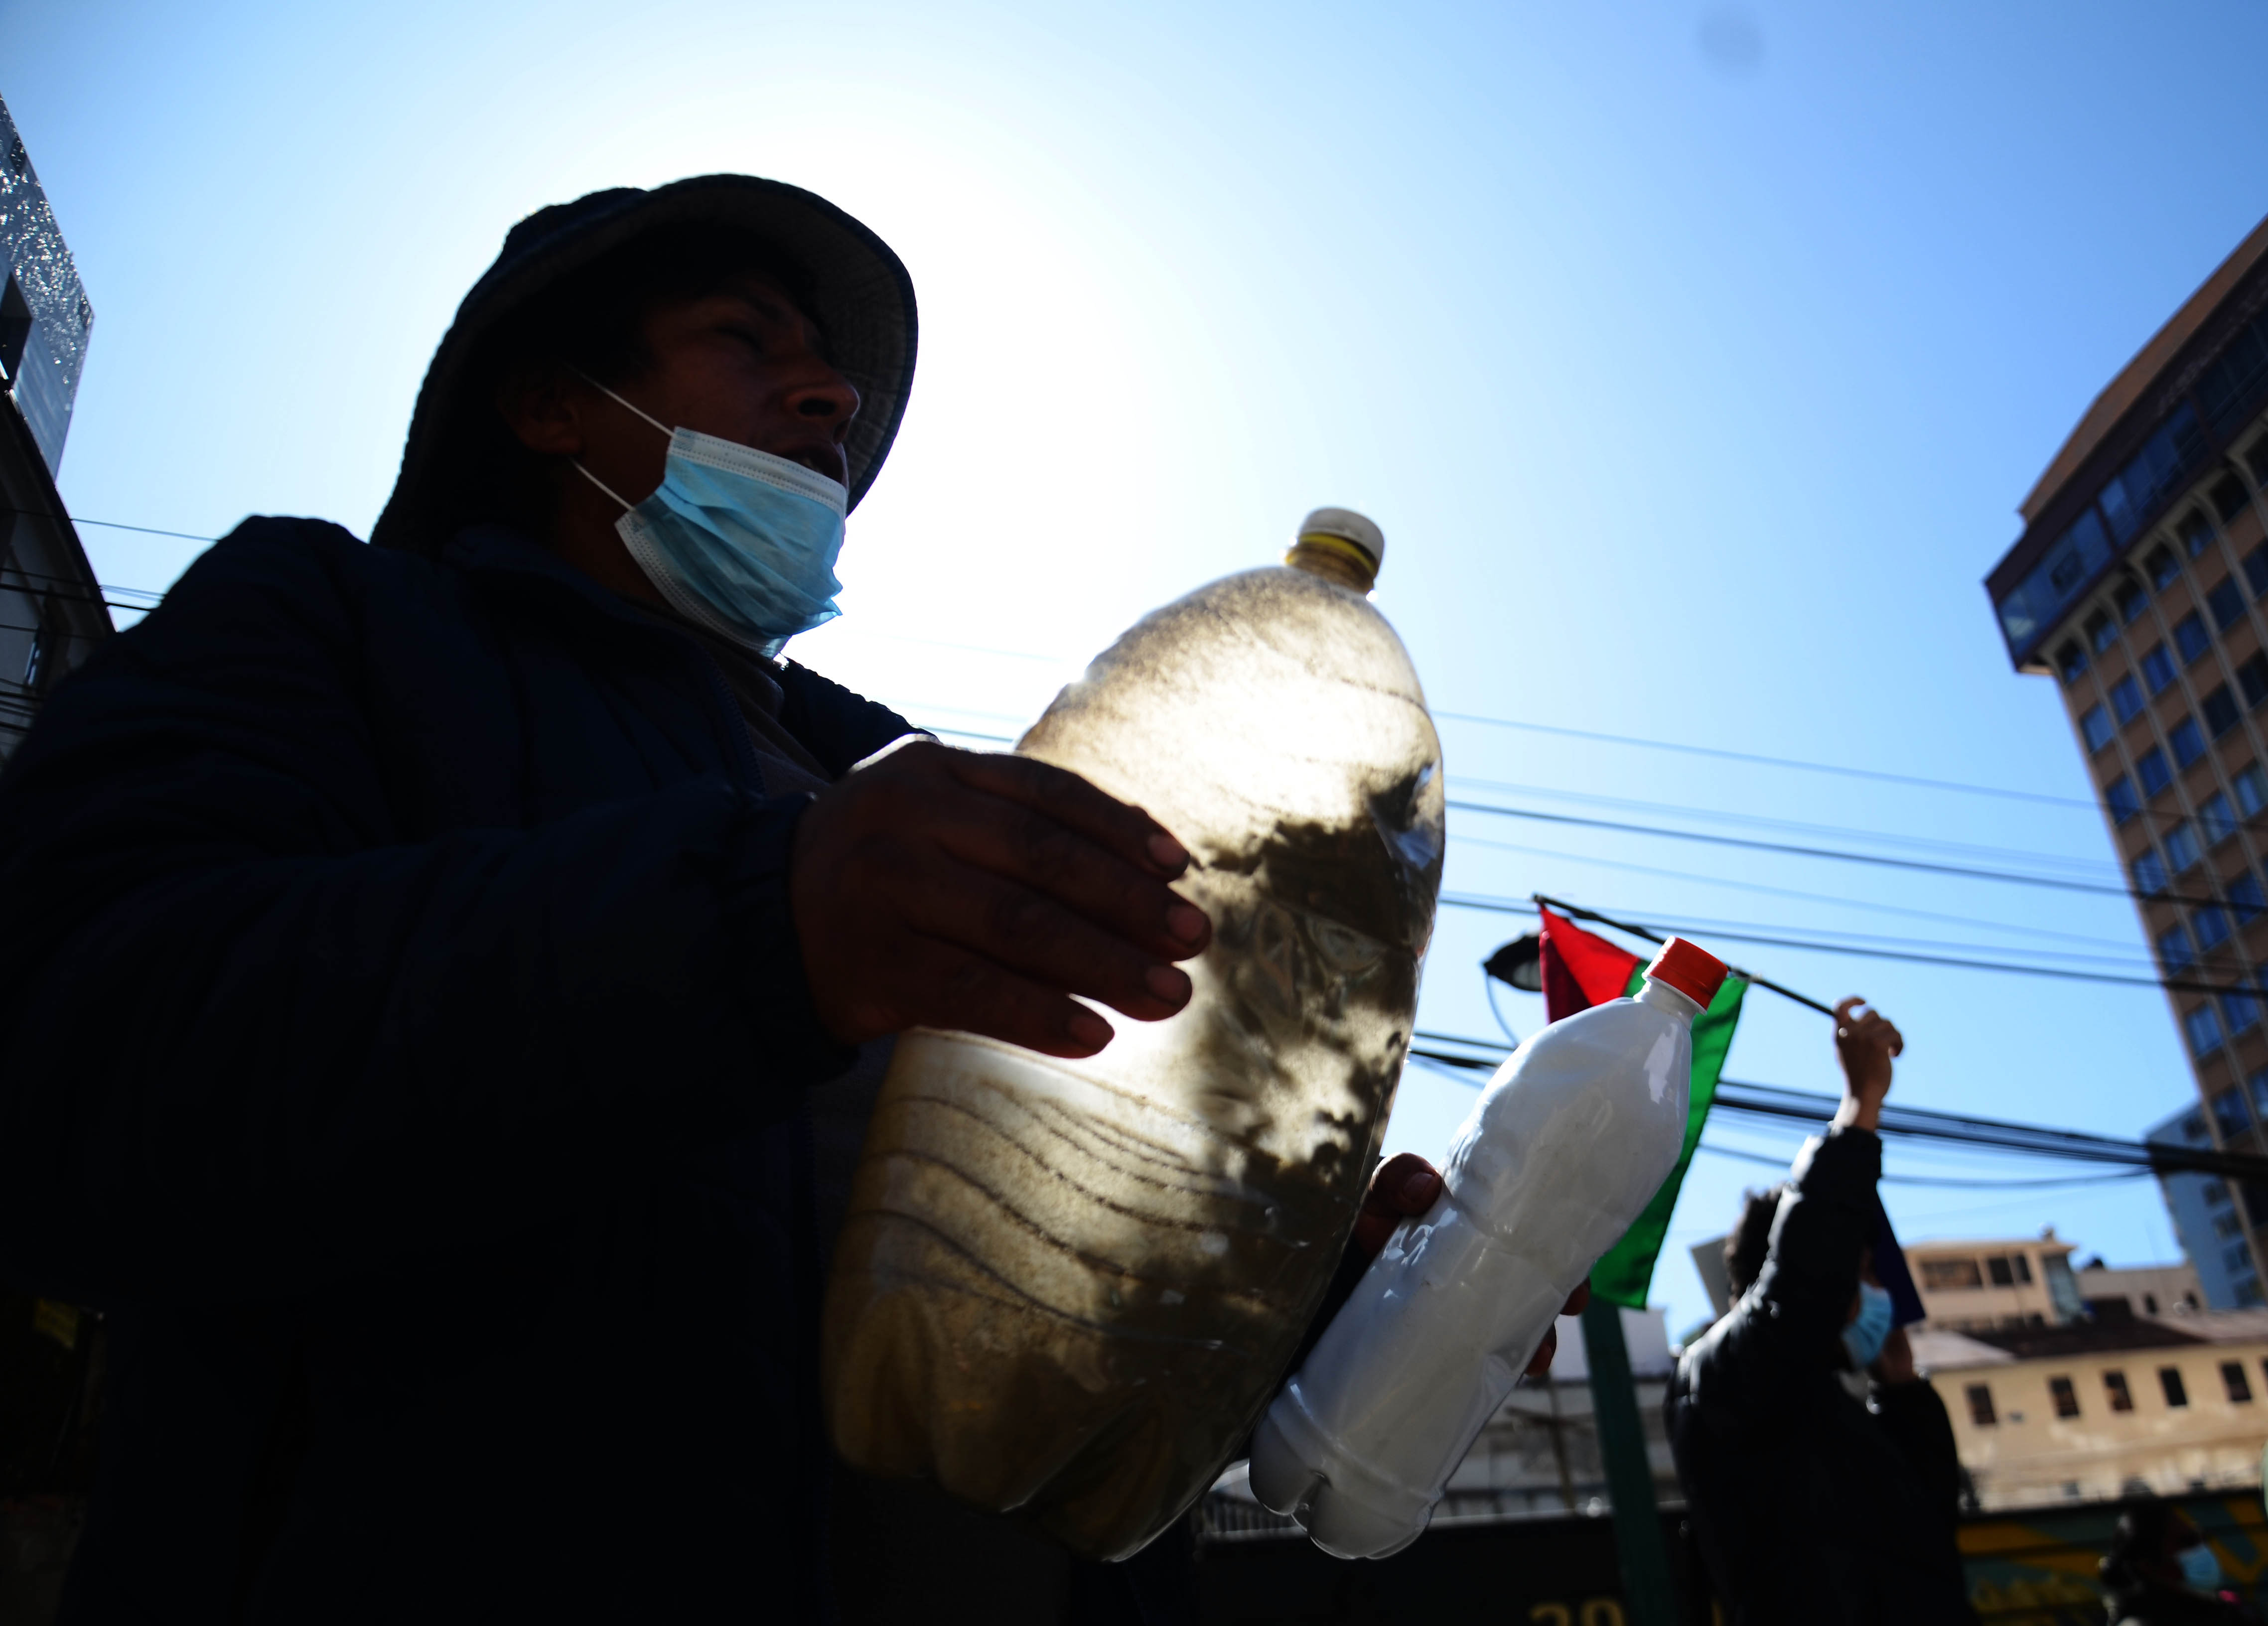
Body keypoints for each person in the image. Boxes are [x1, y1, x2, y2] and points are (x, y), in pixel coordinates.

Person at [0, 177, 1233, 1623]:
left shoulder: (889, 774)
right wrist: (752, 925)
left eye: (826, 372)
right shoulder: (331, 626)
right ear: (550, 407)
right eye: (742, 339)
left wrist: (1261, 1293)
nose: (829, 395)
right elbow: (70, 1058)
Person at [1666, 998, 1977, 1625]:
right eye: (1860, 1272)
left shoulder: (1838, 1411)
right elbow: (1800, 1291)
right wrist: (1859, 1108)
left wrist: (1903, 1396)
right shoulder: (1715, 1378)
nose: (1873, 1289)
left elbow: (1924, 1545)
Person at [2099, 1499, 2258, 1626]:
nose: (2202, 1548)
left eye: (2200, 1537)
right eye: (2188, 1541)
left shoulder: (2225, 1610)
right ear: (2147, 1563)